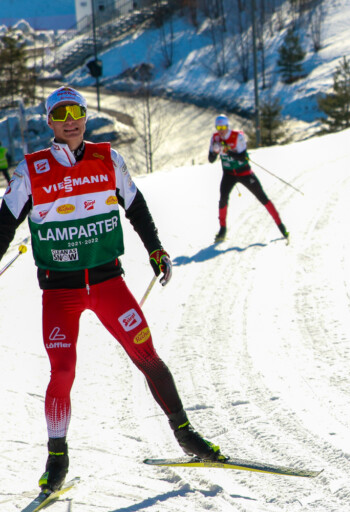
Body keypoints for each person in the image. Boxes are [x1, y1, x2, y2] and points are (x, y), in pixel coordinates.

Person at [0, 86, 226, 494]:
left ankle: (185, 434)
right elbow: (4, 224)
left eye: (77, 111)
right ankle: (57, 458)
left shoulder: (109, 159)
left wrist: (156, 249)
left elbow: (135, 206)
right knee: (63, 371)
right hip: (60, 292)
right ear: (49, 121)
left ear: (85, 116)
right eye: (61, 113)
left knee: (147, 355)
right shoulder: (30, 170)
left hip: (108, 282)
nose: (71, 119)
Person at [207, 114, 288, 242]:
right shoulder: (215, 138)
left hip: (244, 172)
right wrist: (214, 152)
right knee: (223, 199)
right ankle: (222, 229)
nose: (221, 130)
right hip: (229, 174)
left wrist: (227, 151)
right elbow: (211, 160)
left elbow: (243, 157)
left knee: (262, 197)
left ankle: (281, 226)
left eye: (223, 127)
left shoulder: (237, 137)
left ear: (227, 126)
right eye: (218, 127)